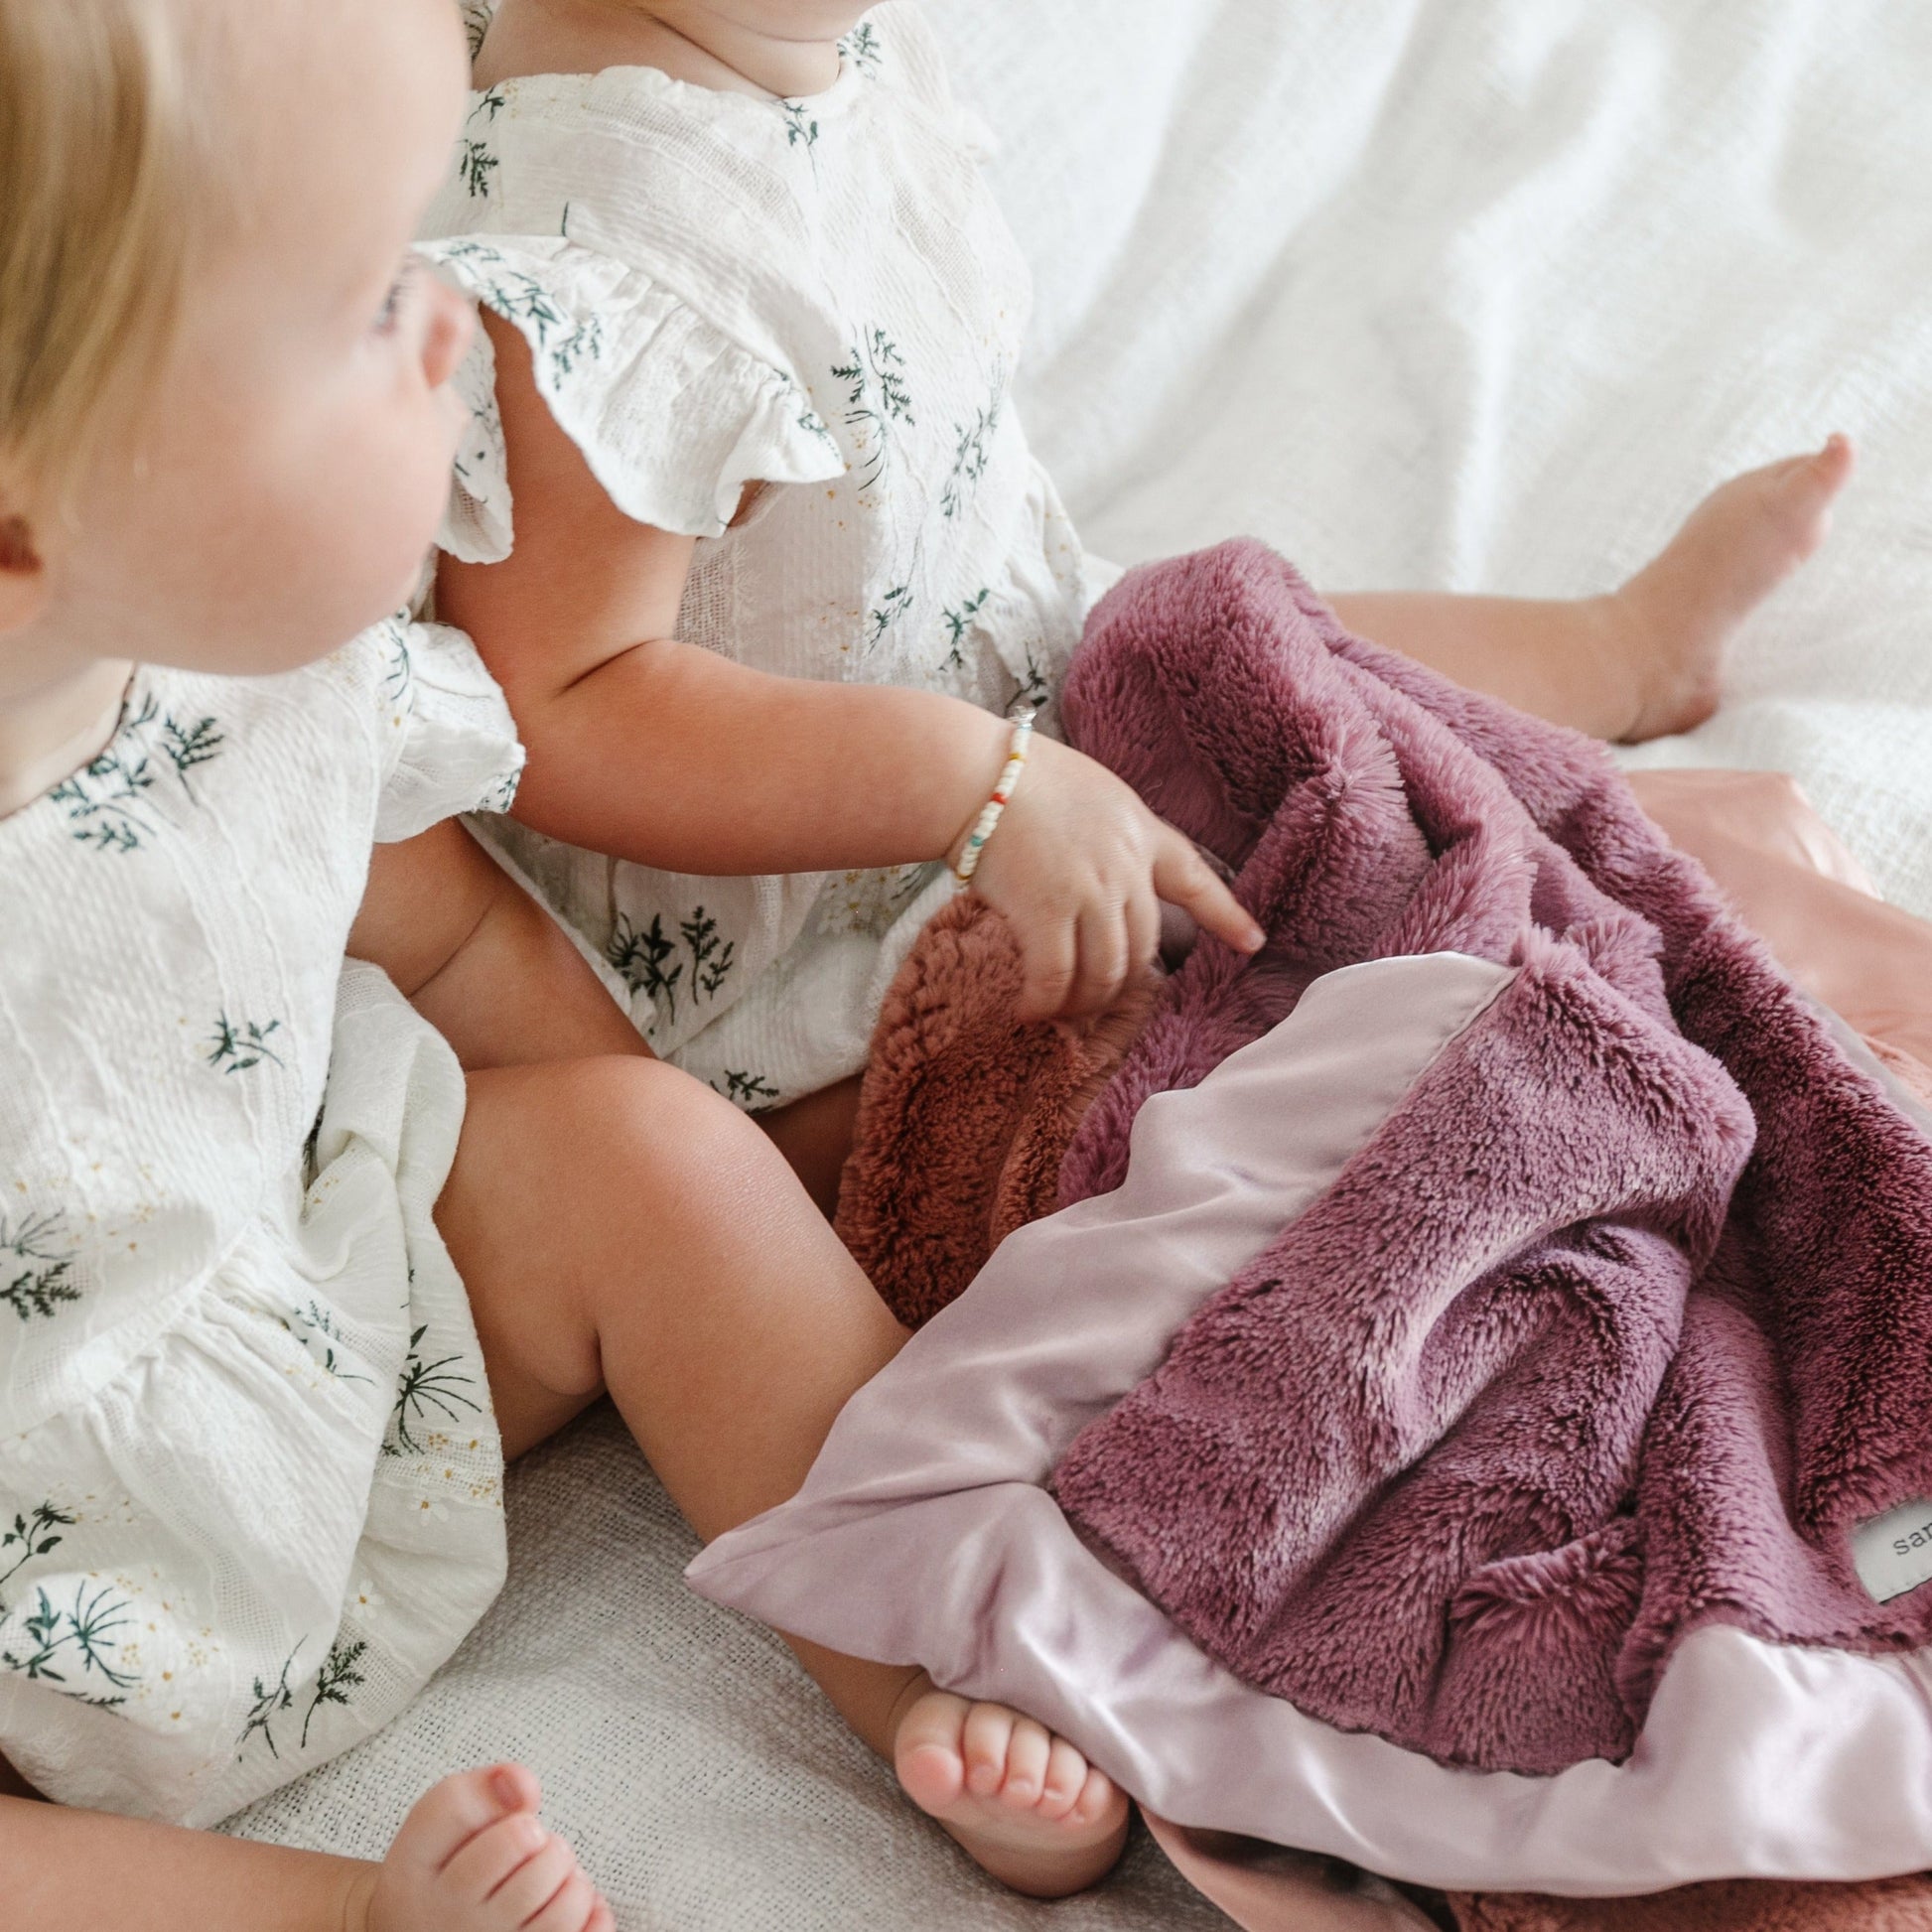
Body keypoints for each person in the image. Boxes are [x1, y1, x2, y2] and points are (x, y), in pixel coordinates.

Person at [0, 2, 1137, 1922]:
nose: (460, 329)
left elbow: (436, 929)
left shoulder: (248, 649)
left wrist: (683, 1176)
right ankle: (325, 1908)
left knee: (652, 1157)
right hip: (39, 1590)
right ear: (35, 524)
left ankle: (943, 1652)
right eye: (369, 309)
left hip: (303, 1331)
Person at [433, 0, 1853, 1213]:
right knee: (1280, 1002)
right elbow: (565, 703)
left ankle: (1621, 649)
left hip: (1008, 656)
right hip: (828, 913)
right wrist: (969, 787)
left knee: (1270, 647)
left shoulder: (798, 47)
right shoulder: (601, 231)